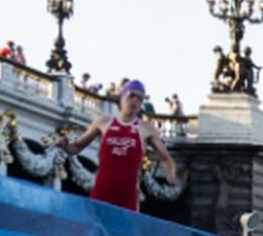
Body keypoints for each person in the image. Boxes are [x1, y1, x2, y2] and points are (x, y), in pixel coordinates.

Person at [57, 78, 179, 212]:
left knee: (122, 232)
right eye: (131, 95)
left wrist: (171, 175)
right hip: (101, 194)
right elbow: (77, 147)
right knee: (96, 231)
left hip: (127, 198)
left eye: (140, 98)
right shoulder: (103, 122)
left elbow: (166, 158)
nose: (135, 101)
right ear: (122, 97)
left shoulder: (146, 129)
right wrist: (65, 146)